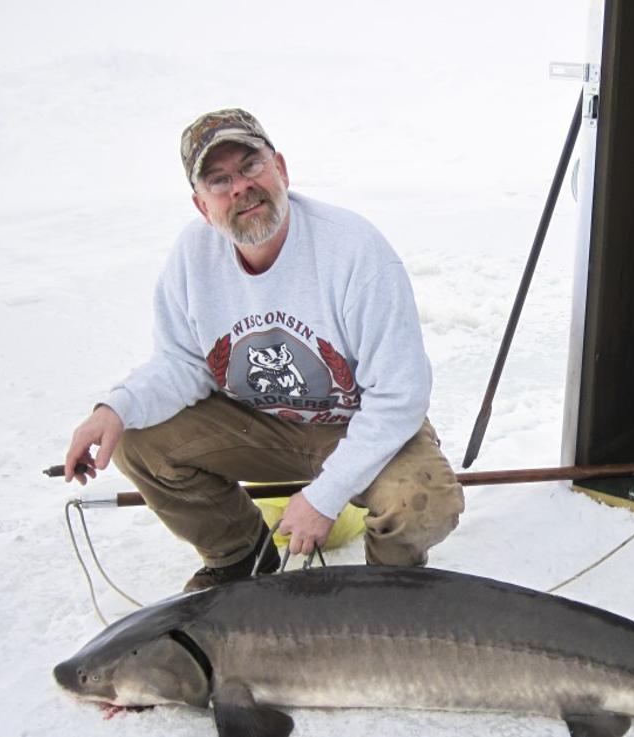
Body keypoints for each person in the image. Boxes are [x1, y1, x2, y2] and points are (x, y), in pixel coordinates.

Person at [63, 108, 464, 591]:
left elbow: (399, 396)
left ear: (281, 169)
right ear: (201, 205)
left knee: (426, 502)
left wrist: (324, 496)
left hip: (356, 425)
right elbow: (183, 363)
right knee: (134, 438)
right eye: (219, 179)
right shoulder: (192, 257)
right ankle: (240, 556)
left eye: (251, 165)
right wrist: (115, 408)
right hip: (258, 425)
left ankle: (379, 592)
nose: (239, 187)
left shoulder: (354, 250)